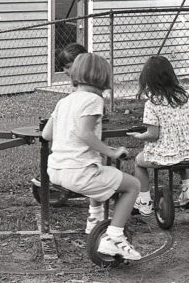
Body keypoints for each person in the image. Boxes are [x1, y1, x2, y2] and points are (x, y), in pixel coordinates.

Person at [41, 53, 142, 261]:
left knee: (102, 171)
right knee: (132, 185)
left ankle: (94, 219)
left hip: (56, 170)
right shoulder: (94, 100)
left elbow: (46, 134)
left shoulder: (64, 101)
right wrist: (111, 151)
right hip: (79, 171)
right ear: (103, 78)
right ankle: (114, 238)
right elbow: (84, 133)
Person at [128, 56, 189, 215]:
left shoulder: (152, 103)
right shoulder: (184, 96)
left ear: (148, 80)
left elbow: (153, 134)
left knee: (138, 162)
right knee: (184, 155)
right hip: (187, 153)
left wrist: (139, 136)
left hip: (163, 156)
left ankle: (144, 200)